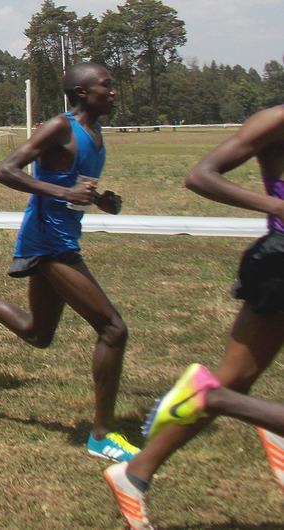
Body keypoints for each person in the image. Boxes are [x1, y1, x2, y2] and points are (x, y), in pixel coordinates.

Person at [0, 62, 134, 462]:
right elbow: (5, 170)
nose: (113, 91)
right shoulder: (60, 127)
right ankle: (102, 435)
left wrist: (101, 200)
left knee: (37, 334)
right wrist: (62, 194)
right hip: (48, 242)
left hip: (63, 238)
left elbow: (72, 183)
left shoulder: (95, 133)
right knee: (113, 329)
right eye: (107, 85)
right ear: (83, 92)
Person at [103, 103, 284, 530]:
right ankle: (240, 408)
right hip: (279, 263)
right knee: (229, 384)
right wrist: (274, 206)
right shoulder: (276, 120)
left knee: (235, 381)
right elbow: (200, 175)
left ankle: (134, 474)